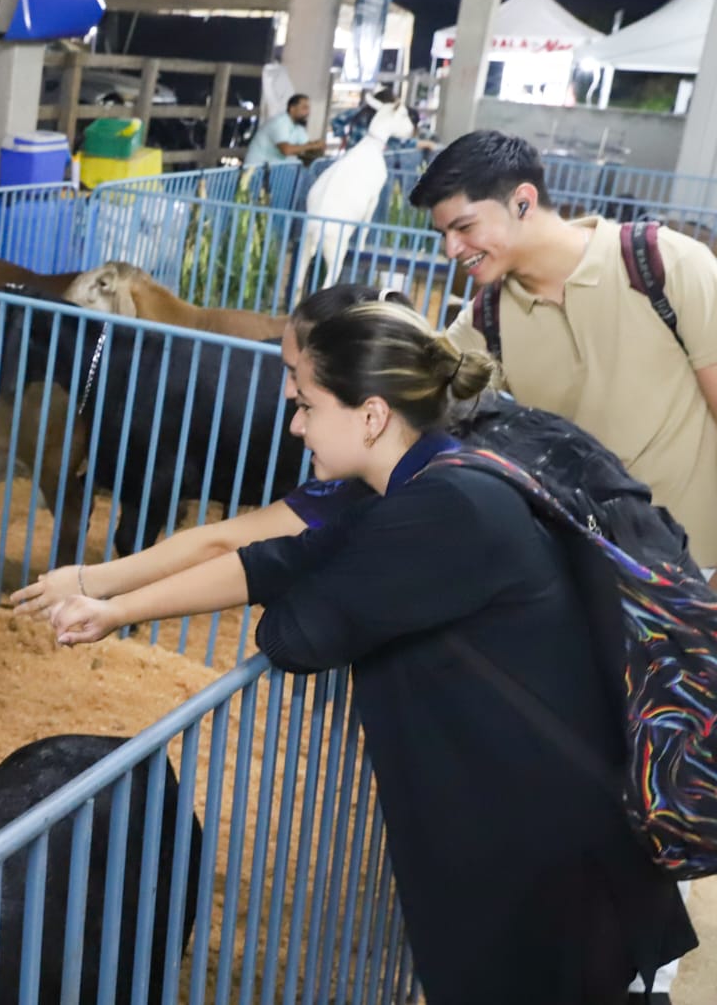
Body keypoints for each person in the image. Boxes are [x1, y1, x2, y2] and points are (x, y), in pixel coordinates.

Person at [37, 300, 696, 1005]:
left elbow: (294, 635)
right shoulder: (425, 479)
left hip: (549, 847)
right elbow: (275, 560)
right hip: (526, 821)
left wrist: (311, 582)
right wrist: (114, 609)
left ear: (372, 414)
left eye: (307, 405)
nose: (294, 426)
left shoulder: (445, 508)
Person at [12, 284, 701, 618]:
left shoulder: (435, 498)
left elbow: (294, 621)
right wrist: (95, 585)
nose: (289, 414)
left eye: (302, 392)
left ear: (368, 407)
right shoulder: (433, 448)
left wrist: (110, 601)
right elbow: (226, 539)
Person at [410, 130, 717, 584]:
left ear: (523, 202)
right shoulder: (486, 319)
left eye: (465, 227)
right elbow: (416, 390)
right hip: (588, 571)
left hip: (697, 570)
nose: (451, 250)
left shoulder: (666, 265)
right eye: (444, 234)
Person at [243, 93, 326, 169]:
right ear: (292, 108)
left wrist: (317, 146)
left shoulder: (298, 127)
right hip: (255, 170)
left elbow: (306, 147)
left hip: (274, 171)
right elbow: (286, 150)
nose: (308, 112)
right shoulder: (280, 122)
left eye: (308, 108)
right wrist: (312, 146)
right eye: (304, 108)